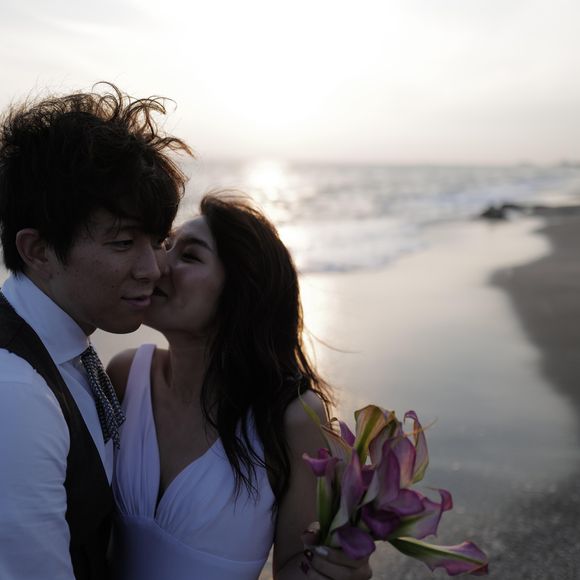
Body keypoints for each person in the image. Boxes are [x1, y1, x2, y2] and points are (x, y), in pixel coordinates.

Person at [108, 194, 373, 579]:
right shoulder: (125, 376)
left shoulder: (293, 418)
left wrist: (337, 568)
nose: (158, 263)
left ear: (241, 292)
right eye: (166, 245)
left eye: (189, 256)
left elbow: (293, 566)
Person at [0, 84, 190, 580]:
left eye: (159, 240)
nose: (154, 269)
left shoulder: (71, 350)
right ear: (38, 250)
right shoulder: (16, 394)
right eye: (124, 242)